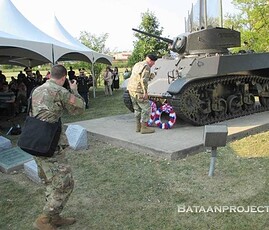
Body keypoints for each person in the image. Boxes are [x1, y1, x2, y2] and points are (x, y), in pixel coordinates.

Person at [31, 64, 85, 230]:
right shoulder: (60, 91)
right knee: (65, 183)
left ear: (50, 75)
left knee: (49, 181)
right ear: (63, 78)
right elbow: (80, 108)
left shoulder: (37, 89)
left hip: (34, 141)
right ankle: (45, 218)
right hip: (50, 144)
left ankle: (55, 217)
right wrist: (74, 90)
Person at [127, 53, 158, 134]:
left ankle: (138, 127)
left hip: (131, 89)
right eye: (153, 62)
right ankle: (144, 127)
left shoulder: (138, 64)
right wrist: (145, 92)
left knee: (137, 109)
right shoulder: (146, 66)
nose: (153, 64)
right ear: (150, 60)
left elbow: (138, 76)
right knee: (146, 108)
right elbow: (143, 80)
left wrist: (151, 76)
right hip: (139, 90)